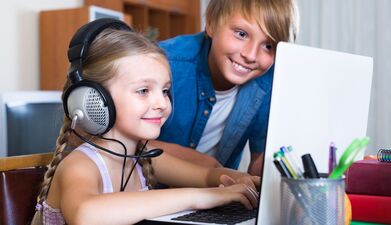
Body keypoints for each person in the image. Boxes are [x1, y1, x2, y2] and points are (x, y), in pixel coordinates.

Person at [31, 19, 260, 225]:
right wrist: (202, 197)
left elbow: (205, 175)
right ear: (93, 99)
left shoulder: (141, 157)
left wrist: (240, 180)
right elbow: (85, 214)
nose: (162, 102)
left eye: (165, 90)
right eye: (143, 90)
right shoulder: (81, 165)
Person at [151, 0, 299, 175]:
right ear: (212, 23)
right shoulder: (163, 64)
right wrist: (208, 167)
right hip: (149, 191)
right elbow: (125, 146)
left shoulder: (268, 80)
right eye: (241, 34)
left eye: (268, 46)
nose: (250, 55)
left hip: (218, 195)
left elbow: (259, 164)